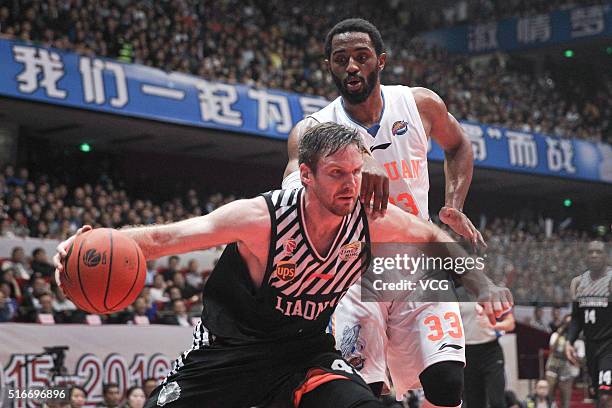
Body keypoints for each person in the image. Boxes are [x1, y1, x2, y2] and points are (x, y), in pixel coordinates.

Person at [55, 123, 510, 408]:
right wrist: (89, 246)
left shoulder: (371, 219)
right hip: (228, 352)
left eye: (356, 173)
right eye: (337, 174)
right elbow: (163, 239)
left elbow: (433, 236)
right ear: (306, 176)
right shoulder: (261, 218)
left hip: (303, 354)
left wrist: (483, 284)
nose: (350, 185)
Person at [283, 18, 491, 407]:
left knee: (447, 384)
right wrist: (350, 164)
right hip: (354, 269)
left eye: (361, 57)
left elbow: (459, 145)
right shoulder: (313, 130)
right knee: (366, 391)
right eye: (340, 58)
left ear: (380, 60)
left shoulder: (418, 104)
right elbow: (293, 185)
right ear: (328, 65)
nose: (351, 67)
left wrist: (453, 204)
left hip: (419, 262)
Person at [566, 241, 612, 408]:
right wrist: (569, 342)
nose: (594, 255)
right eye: (590, 252)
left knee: (606, 394)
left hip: (609, 346)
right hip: (591, 346)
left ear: (606, 256)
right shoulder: (578, 283)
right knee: (598, 395)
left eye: (598, 252)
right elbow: (576, 318)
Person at [459, 294, 516, 408]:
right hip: (467, 352)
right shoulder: (454, 294)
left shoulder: (490, 294)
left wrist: (493, 325)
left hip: (490, 351)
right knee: (474, 402)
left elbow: (510, 324)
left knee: (496, 400)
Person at [546, 315, 579, 408]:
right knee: (549, 394)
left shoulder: (575, 339)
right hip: (553, 366)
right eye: (566, 323)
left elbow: (576, 357)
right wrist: (560, 334)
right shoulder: (555, 335)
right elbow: (552, 349)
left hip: (566, 370)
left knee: (565, 399)